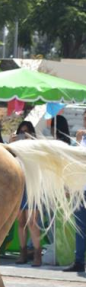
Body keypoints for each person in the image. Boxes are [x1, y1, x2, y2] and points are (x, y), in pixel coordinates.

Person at [9, 121, 42, 267]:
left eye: (27, 132)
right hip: (19, 184)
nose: (23, 135)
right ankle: (23, 252)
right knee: (20, 222)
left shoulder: (36, 147)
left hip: (32, 185)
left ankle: (37, 253)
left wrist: (31, 142)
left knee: (32, 222)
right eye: (21, 132)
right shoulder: (15, 147)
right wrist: (11, 144)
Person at [63, 110, 86, 272]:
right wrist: (78, 142)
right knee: (80, 227)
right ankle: (78, 260)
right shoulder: (81, 138)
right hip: (80, 188)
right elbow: (73, 161)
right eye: (84, 118)